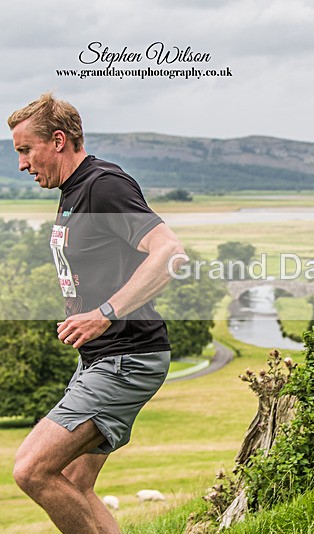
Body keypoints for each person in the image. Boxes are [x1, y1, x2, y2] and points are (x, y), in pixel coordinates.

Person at [8, 93, 185, 533]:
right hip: (105, 357)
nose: (22, 164)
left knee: (31, 469)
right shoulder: (73, 190)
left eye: (25, 150)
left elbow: (169, 253)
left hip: (127, 356)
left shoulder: (103, 184)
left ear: (59, 140)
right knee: (72, 481)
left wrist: (104, 313)